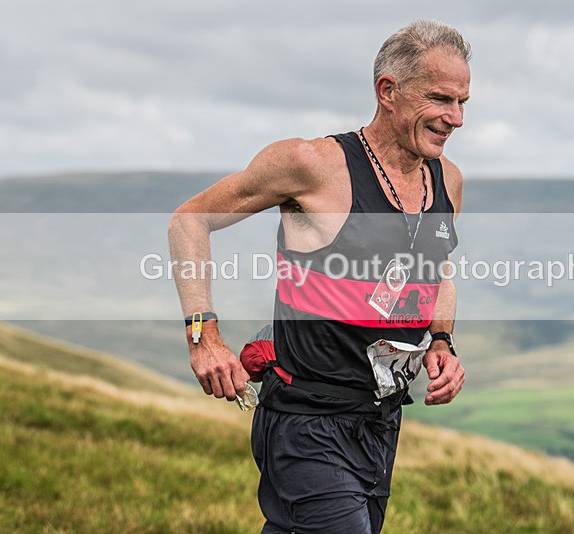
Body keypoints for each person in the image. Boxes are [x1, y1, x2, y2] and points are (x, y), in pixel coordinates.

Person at [168, 19, 470, 534]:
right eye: (441, 98)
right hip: (305, 419)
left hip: (379, 421)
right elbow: (190, 220)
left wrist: (442, 341)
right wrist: (204, 335)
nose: (456, 118)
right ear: (388, 91)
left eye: (463, 102)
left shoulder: (447, 180)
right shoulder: (311, 164)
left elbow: (435, 272)